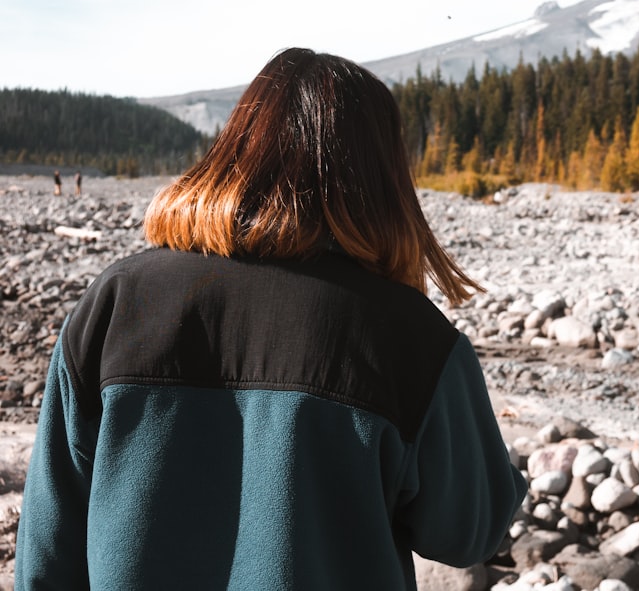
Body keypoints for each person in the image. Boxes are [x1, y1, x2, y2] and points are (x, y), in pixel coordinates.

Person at [15, 48, 527, 590]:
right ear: (383, 178)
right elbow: (468, 532)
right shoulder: (410, 336)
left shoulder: (118, 301)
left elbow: (48, 550)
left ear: (237, 147)